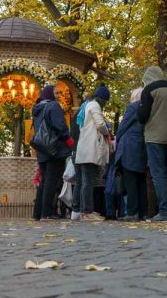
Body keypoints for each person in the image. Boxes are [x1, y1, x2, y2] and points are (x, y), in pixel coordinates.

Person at [139, 65, 167, 222]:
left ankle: (164, 212)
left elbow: (142, 116)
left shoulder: (149, 90)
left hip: (155, 138)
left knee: (158, 174)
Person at [32, 85, 72, 221]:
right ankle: (47, 213)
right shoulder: (53, 106)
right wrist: (68, 139)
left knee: (44, 181)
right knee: (51, 180)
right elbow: (60, 125)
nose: (57, 95)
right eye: (55, 92)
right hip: (55, 148)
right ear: (49, 94)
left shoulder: (37, 109)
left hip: (42, 149)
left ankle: (38, 213)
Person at [76, 85, 112, 221]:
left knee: (85, 181)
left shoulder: (86, 106)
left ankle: (84, 211)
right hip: (90, 149)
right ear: (102, 99)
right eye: (106, 101)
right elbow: (100, 124)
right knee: (88, 182)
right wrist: (107, 133)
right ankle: (87, 212)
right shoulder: (95, 106)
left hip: (84, 148)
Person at [115, 88, 149, 221]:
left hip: (129, 147)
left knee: (130, 180)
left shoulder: (133, 107)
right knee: (141, 180)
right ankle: (143, 212)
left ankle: (132, 212)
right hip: (141, 147)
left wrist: (117, 139)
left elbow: (123, 127)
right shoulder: (146, 109)